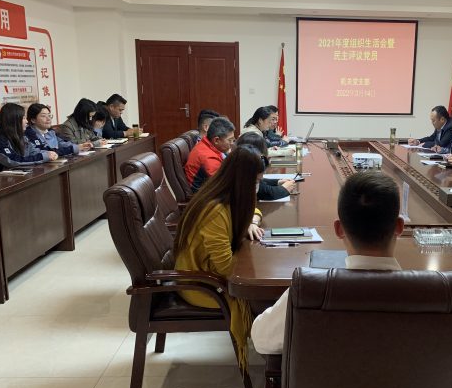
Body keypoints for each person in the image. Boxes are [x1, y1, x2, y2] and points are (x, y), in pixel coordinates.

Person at [251, 171, 405, 354]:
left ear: (339, 229)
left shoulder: (309, 290)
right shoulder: (429, 293)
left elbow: (261, 339)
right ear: (399, 227)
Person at [174, 146, 265, 368]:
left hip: (207, 275)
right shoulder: (215, 210)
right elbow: (225, 268)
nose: (256, 188)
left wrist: (251, 221)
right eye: (255, 182)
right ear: (242, 181)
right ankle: (273, 359)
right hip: (202, 285)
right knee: (267, 299)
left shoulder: (222, 194)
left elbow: (254, 209)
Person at [0, 103, 59, 175]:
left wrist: (48, 153)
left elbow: (33, 151)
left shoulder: (21, 136)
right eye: (24, 118)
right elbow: (12, 160)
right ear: (14, 121)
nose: (27, 121)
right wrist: (42, 157)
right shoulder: (0, 138)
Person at [235, 133, 296, 200]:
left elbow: (261, 182)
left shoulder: (241, 163)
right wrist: (284, 189)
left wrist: (277, 182)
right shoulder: (244, 171)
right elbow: (266, 192)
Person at [185, 116, 235, 192]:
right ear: (216, 140)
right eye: (230, 140)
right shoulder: (208, 158)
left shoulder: (207, 143)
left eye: (233, 139)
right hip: (203, 195)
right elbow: (223, 186)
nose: (232, 143)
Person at [25, 103, 92, 156]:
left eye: (49, 115)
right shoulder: (29, 134)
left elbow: (62, 143)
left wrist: (80, 146)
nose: (48, 119)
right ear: (33, 120)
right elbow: (45, 152)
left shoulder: (51, 132)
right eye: (43, 116)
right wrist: (74, 148)